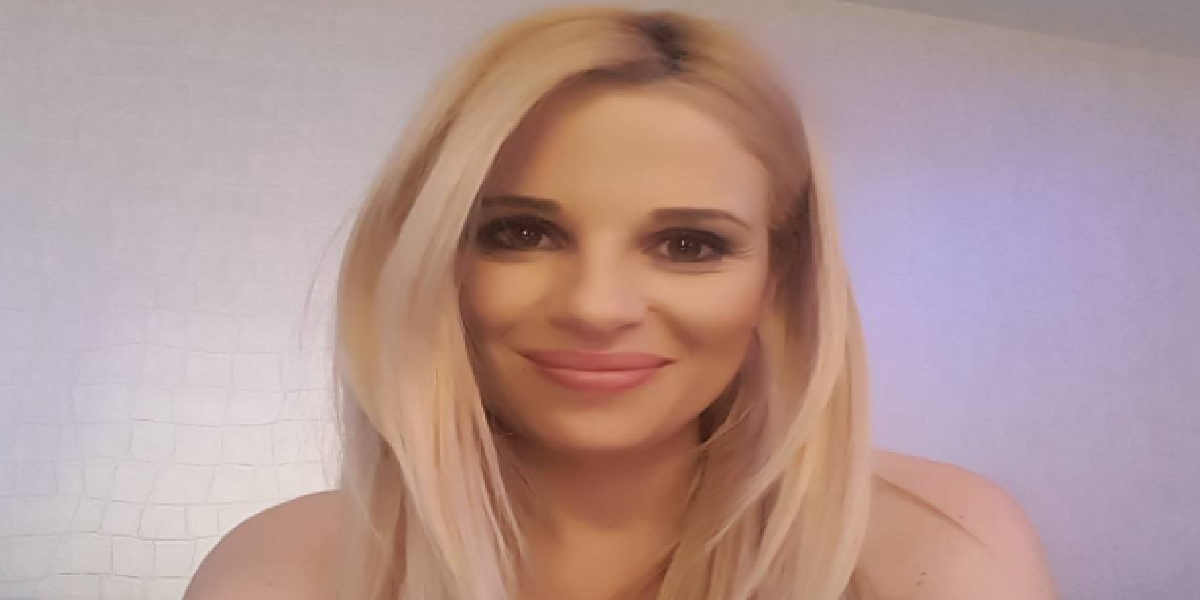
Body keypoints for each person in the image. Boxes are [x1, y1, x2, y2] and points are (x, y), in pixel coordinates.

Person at [184, 6, 1058, 600]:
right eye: (522, 233)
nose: (597, 307)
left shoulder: (940, 546)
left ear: (778, 280)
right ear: (434, 259)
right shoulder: (282, 570)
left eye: (689, 245)